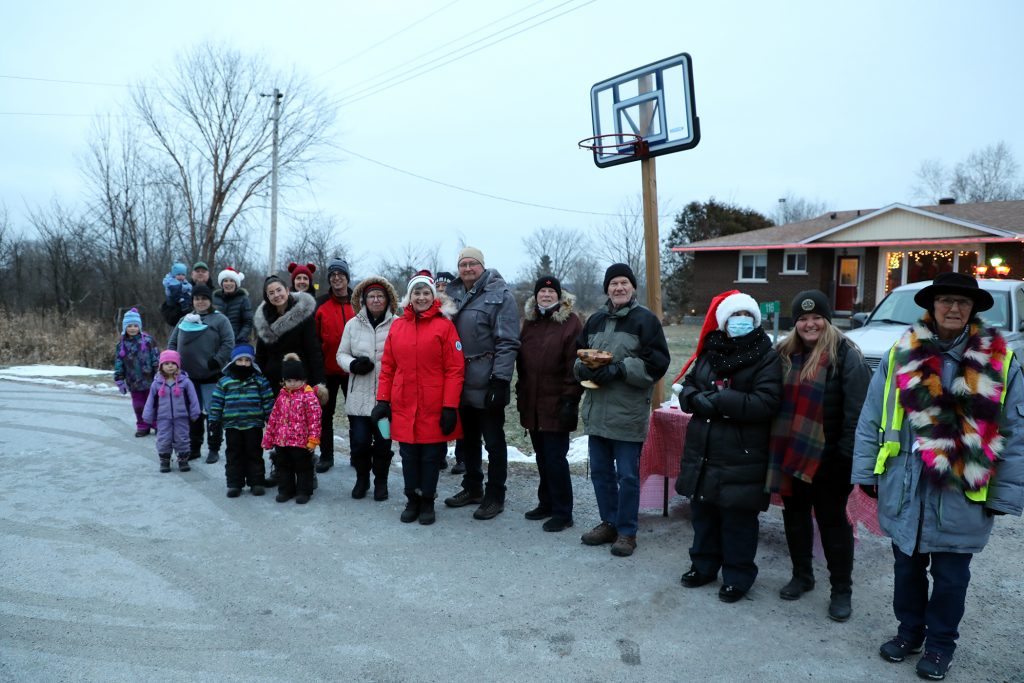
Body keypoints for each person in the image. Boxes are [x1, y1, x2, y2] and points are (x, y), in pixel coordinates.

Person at [852, 272, 1024, 681]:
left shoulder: (1002, 362)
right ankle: (909, 632)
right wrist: (864, 468)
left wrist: (1006, 494)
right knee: (906, 569)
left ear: (973, 311)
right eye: (945, 300)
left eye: (962, 303)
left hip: (962, 491)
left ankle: (940, 645)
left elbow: (1016, 432)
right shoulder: (901, 354)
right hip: (906, 485)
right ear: (932, 306)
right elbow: (872, 416)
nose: (953, 308)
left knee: (950, 578)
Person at [767, 290, 870, 622]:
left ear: (827, 320)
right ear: (795, 323)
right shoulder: (784, 354)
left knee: (833, 525)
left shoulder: (846, 355)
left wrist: (845, 458)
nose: (809, 324)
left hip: (831, 460)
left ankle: (841, 589)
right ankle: (802, 575)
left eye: (816, 318)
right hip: (792, 454)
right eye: (802, 319)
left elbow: (859, 414)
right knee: (794, 517)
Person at [676, 291, 781, 595]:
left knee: (738, 519)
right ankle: (703, 566)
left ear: (755, 320)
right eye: (735, 316)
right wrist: (698, 399)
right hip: (704, 451)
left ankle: (738, 575)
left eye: (747, 316)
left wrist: (719, 400)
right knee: (704, 514)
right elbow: (688, 389)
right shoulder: (709, 353)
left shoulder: (766, 356)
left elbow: (766, 401)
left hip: (741, 453)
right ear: (723, 321)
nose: (741, 321)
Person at [574, 263, 670, 557]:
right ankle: (609, 523)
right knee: (601, 473)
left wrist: (618, 370)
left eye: (623, 283)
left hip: (627, 413)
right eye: (613, 283)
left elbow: (657, 364)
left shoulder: (645, 321)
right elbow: (578, 357)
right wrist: (583, 369)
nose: (618, 288)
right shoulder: (595, 320)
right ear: (606, 289)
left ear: (632, 287)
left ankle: (627, 531)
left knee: (627, 475)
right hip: (597, 411)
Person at [373, 271, 464, 525]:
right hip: (404, 403)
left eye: (426, 292)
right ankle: (411, 499)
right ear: (409, 297)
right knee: (409, 454)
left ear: (433, 296)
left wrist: (449, 406)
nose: (421, 297)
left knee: (431, 456)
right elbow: (388, 366)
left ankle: (427, 501)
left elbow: (455, 370)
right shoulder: (398, 326)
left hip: (433, 405)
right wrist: (382, 401)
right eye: (417, 292)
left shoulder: (444, 326)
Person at [443, 247, 521, 520]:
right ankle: (472, 487)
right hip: (458, 379)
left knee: (494, 441)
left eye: (472, 264)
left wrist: (500, 380)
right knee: (468, 439)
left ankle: (495, 494)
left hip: (486, 379)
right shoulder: (450, 295)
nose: (467, 269)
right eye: (462, 264)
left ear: (482, 266)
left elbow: (507, 341)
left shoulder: (500, 295)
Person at [516, 275, 583, 532]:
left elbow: (573, 366)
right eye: (541, 293)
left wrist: (569, 399)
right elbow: (522, 362)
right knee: (542, 458)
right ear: (535, 297)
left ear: (559, 296)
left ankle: (563, 511)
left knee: (556, 459)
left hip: (557, 402)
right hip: (532, 401)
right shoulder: (530, 323)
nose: (546, 296)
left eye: (551, 292)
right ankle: (546, 502)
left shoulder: (570, 323)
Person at [254, 275, 326, 487]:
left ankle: (307, 471)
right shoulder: (263, 318)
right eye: (271, 293)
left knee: (301, 428)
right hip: (273, 380)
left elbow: (314, 351)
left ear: (287, 289)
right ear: (267, 297)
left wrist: (319, 382)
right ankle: (279, 467)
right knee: (278, 427)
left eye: (279, 290)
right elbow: (260, 353)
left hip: (298, 382)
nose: (276, 295)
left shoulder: (304, 315)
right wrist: (257, 379)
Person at [337, 275, 398, 500]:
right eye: (371, 296)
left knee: (383, 444)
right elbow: (340, 354)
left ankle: (381, 481)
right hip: (358, 400)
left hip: (386, 402)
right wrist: (352, 364)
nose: (375, 300)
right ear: (363, 300)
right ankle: (362, 479)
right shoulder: (352, 325)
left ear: (388, 299)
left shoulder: (398, 325)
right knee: (360, 443)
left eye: (380, 296)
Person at [167, 283, 235, 464]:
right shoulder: (184, 320)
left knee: (214, 414)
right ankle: (194, 447)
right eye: (197, 298)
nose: (201, 302)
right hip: (188, 377)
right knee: (192, 414)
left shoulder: (220, 320)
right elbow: (172, 344)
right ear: (193, 301)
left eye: (204, 298)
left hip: (211, 375)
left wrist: (217, 360)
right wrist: (173, 364)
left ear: (210, 300)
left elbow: (228, 343)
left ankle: (213, 448)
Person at [207, 344, 275, 498]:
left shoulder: (259, 381)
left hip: (253, 424)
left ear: (252, 362)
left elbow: (268, 400)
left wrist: (270, 418)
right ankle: (234, 484)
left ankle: (256, 481)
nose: (244, 363)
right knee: (234, 455)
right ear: (233, 362)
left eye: (247, 360)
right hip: (232, 426)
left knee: (255, 454)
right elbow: (217, 402)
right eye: (240, 360)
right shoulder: (225, 382)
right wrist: (214, 419)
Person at [262, 353, 323, 504]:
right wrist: (269, 438)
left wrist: (313, 440)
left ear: (303, 380)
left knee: (303, 468)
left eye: (296, 380)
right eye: (289, 381)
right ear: (284, 382)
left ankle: (304, 491)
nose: (292, 384)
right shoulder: (282, 396)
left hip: (301, 442)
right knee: (284, 467)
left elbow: (315, 420)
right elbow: (274, 418)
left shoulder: (308, 397)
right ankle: (285, 490)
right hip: (282, 441)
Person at [314, 258, 355, 473]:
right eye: (332, 275)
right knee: (325, 414)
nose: (336, 278)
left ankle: (357, 455)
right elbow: (314, 338)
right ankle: (327, 456)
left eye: (340, 274)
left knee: (355, 415)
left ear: (347, 278)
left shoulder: (358, 302)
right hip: (327, 369)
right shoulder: (320, 304)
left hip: (353, 371)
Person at [142, 350, 200, 473]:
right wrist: (147, 415)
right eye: (166, 363)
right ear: (161, 366)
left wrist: (195, 412)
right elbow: (151, 400)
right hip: (163, 418)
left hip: (181, 417)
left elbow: (193, 398)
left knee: (182, 438)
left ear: (178, 365)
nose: (170, 366)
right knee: (163, 438)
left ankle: (183, 459)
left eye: (173, 363)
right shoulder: (156, 383)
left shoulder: (185, 382)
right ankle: (165, 460)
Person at [113, 307, 160, 437]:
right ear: (124, 327)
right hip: (133, 381)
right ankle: (143, 425)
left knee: (153, 403)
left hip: (151, 380)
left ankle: (156, 423)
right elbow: (119, 363)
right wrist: (119, 379)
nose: (132, 328)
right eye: (129, 326)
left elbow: (156, 358)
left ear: (139, 326)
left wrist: (159, 374)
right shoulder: (121, 344)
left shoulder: (148, 341)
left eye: (135, 325)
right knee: (139, 406)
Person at [213, 267, 254, 344]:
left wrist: (240, 337)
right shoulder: (214, 299)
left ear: (236, 283)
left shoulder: (243, 299)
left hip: (237, 341)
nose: (228, 283)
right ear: (222, 284)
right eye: (225, 281)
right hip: (216, 342)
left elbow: (248, 322)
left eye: (232, 281)